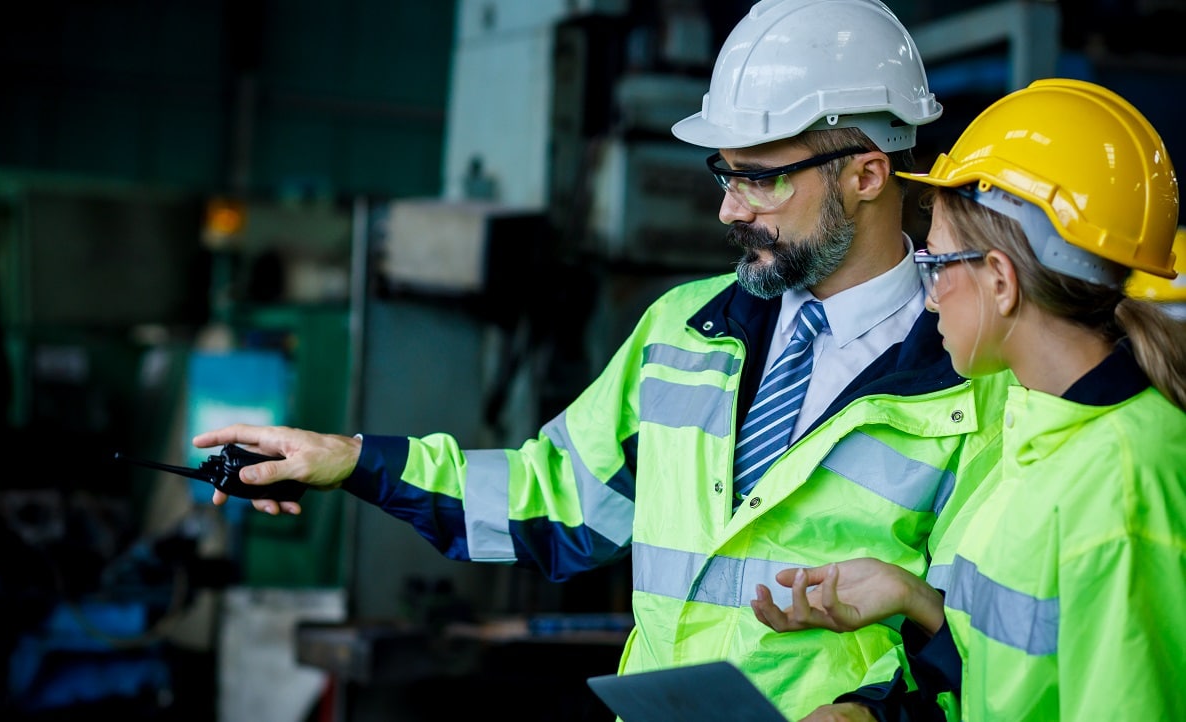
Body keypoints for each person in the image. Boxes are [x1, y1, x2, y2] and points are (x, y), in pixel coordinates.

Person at [192, 0, 1010, 717]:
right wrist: (353, 461)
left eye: (761, 180)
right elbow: (554, 502)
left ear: (867, 174)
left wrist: (873, 718)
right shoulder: (682, 332)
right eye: (723, 174)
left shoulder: (975, 377)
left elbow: (993, 636)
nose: (729, 208)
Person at [750, 78, 1186, 721]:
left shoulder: (1120, 478)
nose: (928, 297)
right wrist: (914, 600)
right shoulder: (1038, 433)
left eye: (935, 265)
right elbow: (1011, 671)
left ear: (1002, 281)